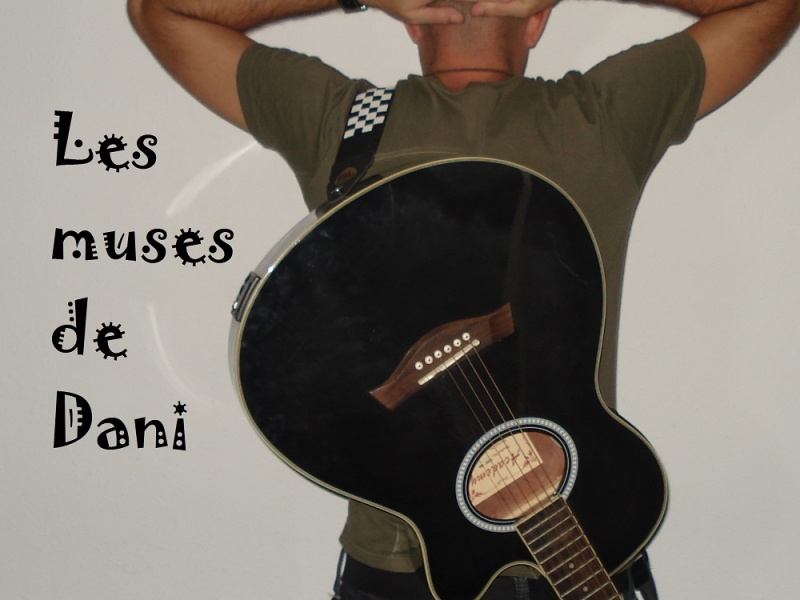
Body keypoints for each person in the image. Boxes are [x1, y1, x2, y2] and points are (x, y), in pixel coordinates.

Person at [128, 0, 799, 599]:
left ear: (413, 23)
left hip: (405, 572)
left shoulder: (343, 123)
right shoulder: (602, 118)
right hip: (585, 541)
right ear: (537, 19)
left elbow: (161, 11)